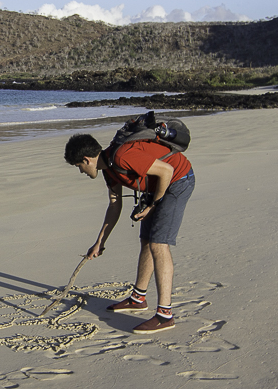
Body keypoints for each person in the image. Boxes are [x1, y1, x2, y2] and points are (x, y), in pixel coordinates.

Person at [64, 133, 195, 334]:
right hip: (158, 186)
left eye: (78, 166)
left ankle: (165, 315)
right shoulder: (108, 169)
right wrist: (100, 242)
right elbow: (114, 205)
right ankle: (138, 299)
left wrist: (152, 205)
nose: (81, 171)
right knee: (147, 240)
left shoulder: (121, 157)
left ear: (86, 159)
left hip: (178, 180)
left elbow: (167, 170)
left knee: (158, 244)